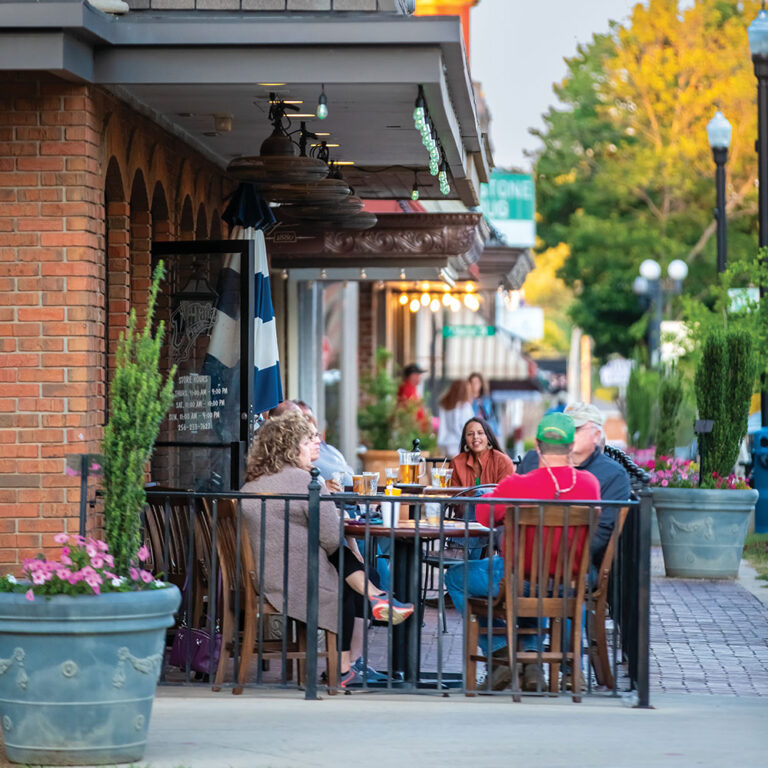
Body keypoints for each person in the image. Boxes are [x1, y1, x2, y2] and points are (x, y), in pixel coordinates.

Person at [240, 411, 414, 689]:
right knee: (344, 582)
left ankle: (375, 601)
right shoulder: (306, 481)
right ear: (290, 445)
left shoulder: (252, 484)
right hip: (295, 579)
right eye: (309, 439)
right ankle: (346, 661)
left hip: (263, 575)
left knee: (345, 570)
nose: (318, 442)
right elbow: (331, 538)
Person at [444, 412, 600, 691]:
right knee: (537, 582)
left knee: (457, 577)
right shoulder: (590, 485)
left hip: (519, 582)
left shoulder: (517, 485)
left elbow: (482, 515)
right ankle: (530, 662)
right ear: (571, 445)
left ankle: (501, 655)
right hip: (566, 586)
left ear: (538, 446)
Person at [517, 402, 630, 566]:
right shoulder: (532, 459)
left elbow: (600, 536)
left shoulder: (613, 475)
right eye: (563, 427)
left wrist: (550, 561)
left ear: (596, 435)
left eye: (575, 428)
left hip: (572, 573)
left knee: (466, 575)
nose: (566, 433)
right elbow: (504, 512)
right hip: (521, 563)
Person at [449, 417, 516, 488]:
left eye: (480, 433)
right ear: (465, 440)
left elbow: (505, 494)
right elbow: (454, 496)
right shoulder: (456, 463)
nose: (475, 437)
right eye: (470, 434)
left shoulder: (503, 462)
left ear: (488, 437)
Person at [437, 380, 475, 458]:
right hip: (459, 444)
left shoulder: (444, 405)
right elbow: (467, 427)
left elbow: (442, 425)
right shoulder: (465, 407)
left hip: (446, 443)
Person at [397, 362, 429, 432]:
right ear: (412, 376)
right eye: (418, 375)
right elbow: (408, 411)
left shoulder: (411, 388)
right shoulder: (406, 389)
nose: (420, 377)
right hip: (411, 430)